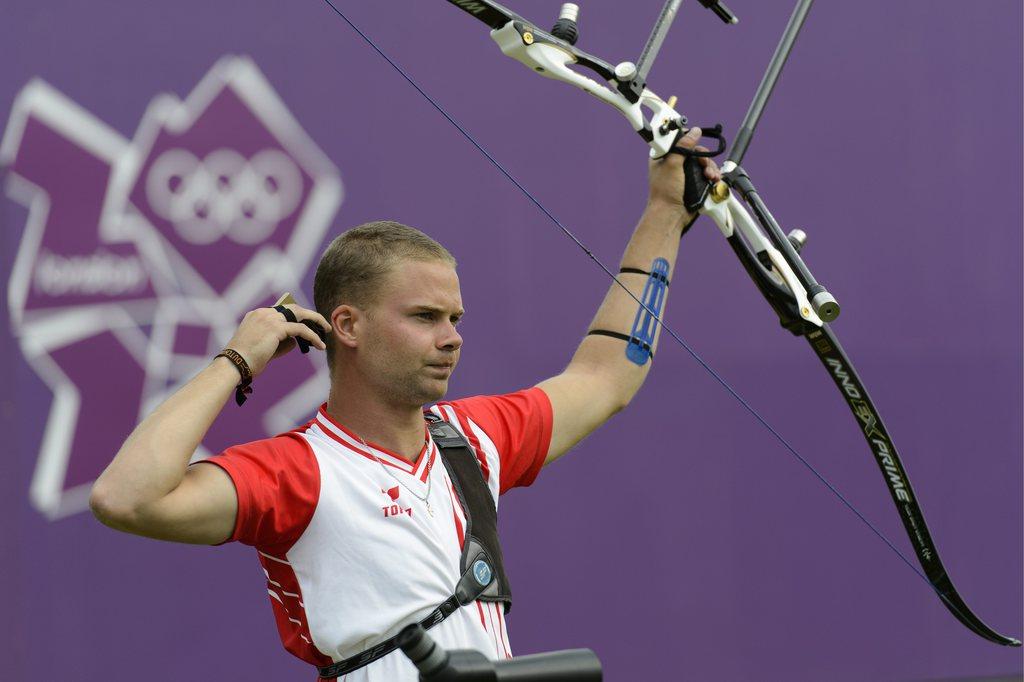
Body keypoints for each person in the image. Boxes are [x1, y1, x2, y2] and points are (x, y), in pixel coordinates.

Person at [90, 129, 721, 680]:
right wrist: (236, 361)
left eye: (455, 317)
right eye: (424, 317)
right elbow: (125, 498)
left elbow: (607, 377)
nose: (451, 337)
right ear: (348, 325)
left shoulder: (477, 437)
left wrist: (665, 212)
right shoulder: (297, 473)